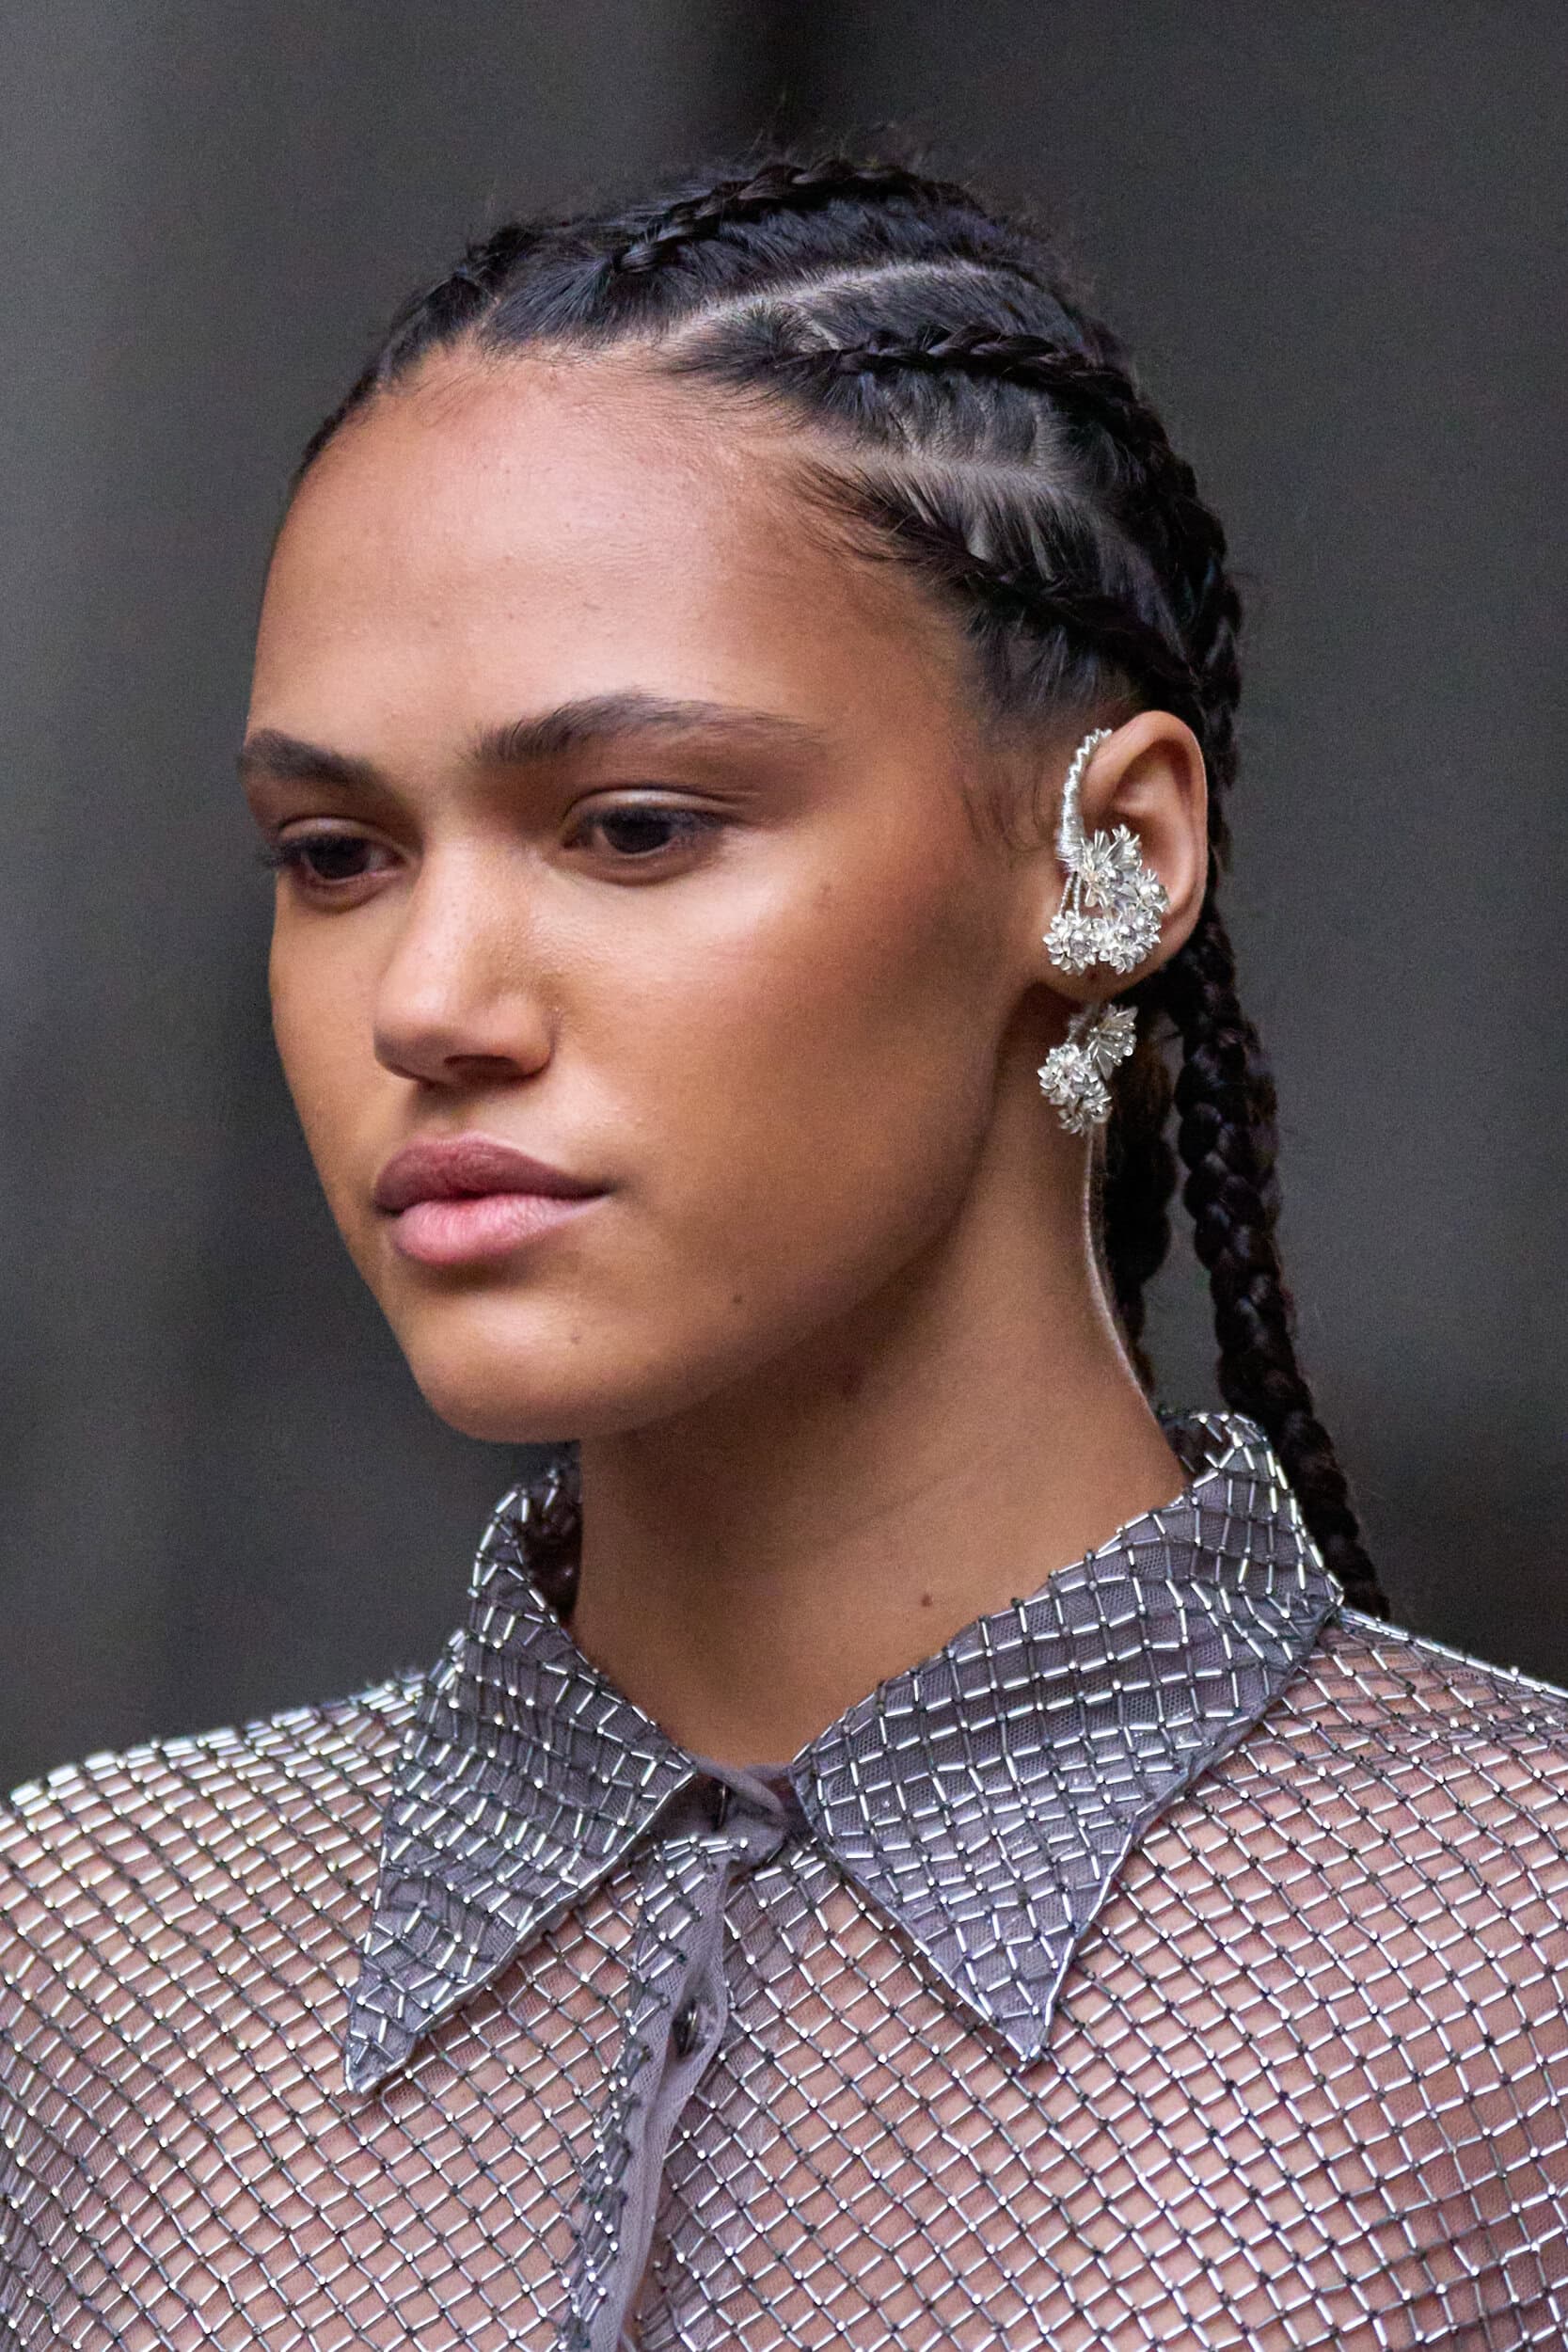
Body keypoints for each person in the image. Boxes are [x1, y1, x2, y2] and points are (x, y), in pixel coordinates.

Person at [4, 151, 1566, 2352]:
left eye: (636, 824)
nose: (429, 999)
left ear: (1109, 854)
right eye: (337, 851)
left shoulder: (1516, 1980)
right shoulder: (85, 1963)